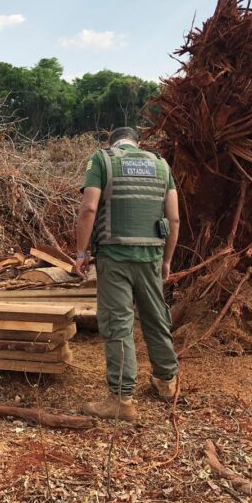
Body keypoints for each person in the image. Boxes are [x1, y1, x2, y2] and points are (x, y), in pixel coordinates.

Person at [73, 126, 180, 421]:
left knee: (118, 322)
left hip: (115, 256)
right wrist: (167, 259)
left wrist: (81, 254)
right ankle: (166, 382)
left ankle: (121, 398)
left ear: (113, 142)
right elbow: (174, 218)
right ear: (138, 143)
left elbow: (88, 209)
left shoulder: (102, 160)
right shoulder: (160, 164)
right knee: (156, 317)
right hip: (151, 255)